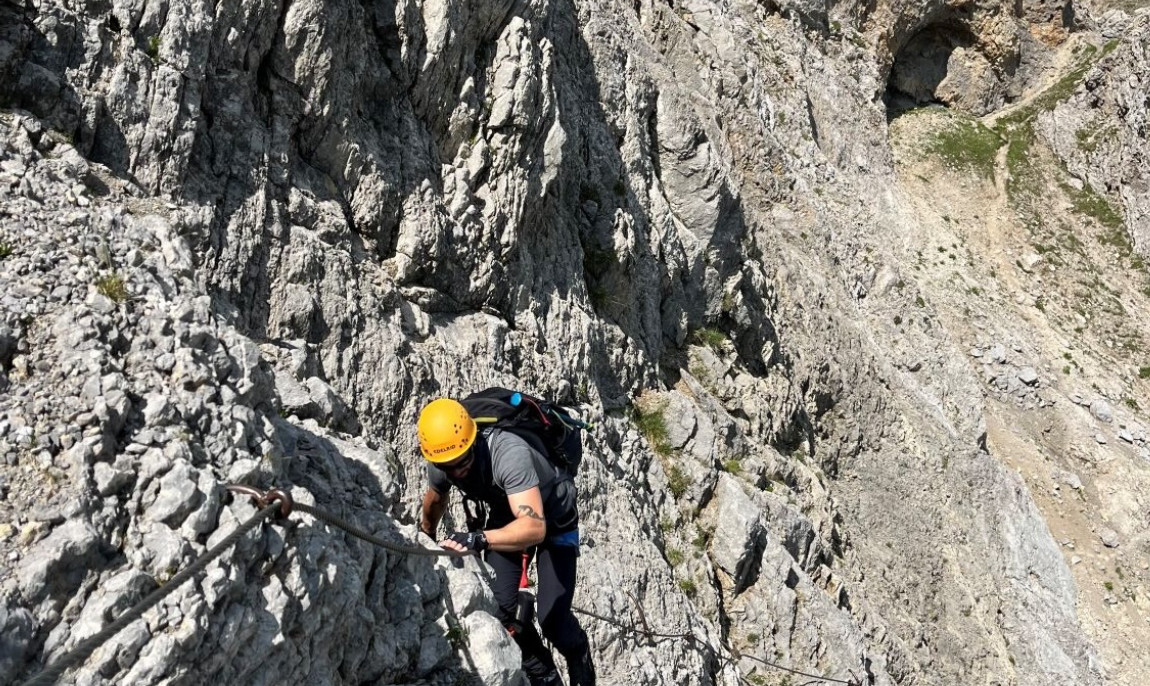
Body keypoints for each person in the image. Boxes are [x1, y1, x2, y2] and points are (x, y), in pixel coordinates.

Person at [417, 397, 596, 686]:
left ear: (473, 442)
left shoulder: (508, 453)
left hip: (555, 518)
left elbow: (534, 529)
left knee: (552, 618)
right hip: (508, 511)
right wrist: (424, 538)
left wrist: (479, 538)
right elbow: (436, 498)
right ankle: (544, 673)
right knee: (499, 609)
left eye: (462, 462)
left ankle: (578, 651)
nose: (457, 471)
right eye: (447, 467)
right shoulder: (444, 459)